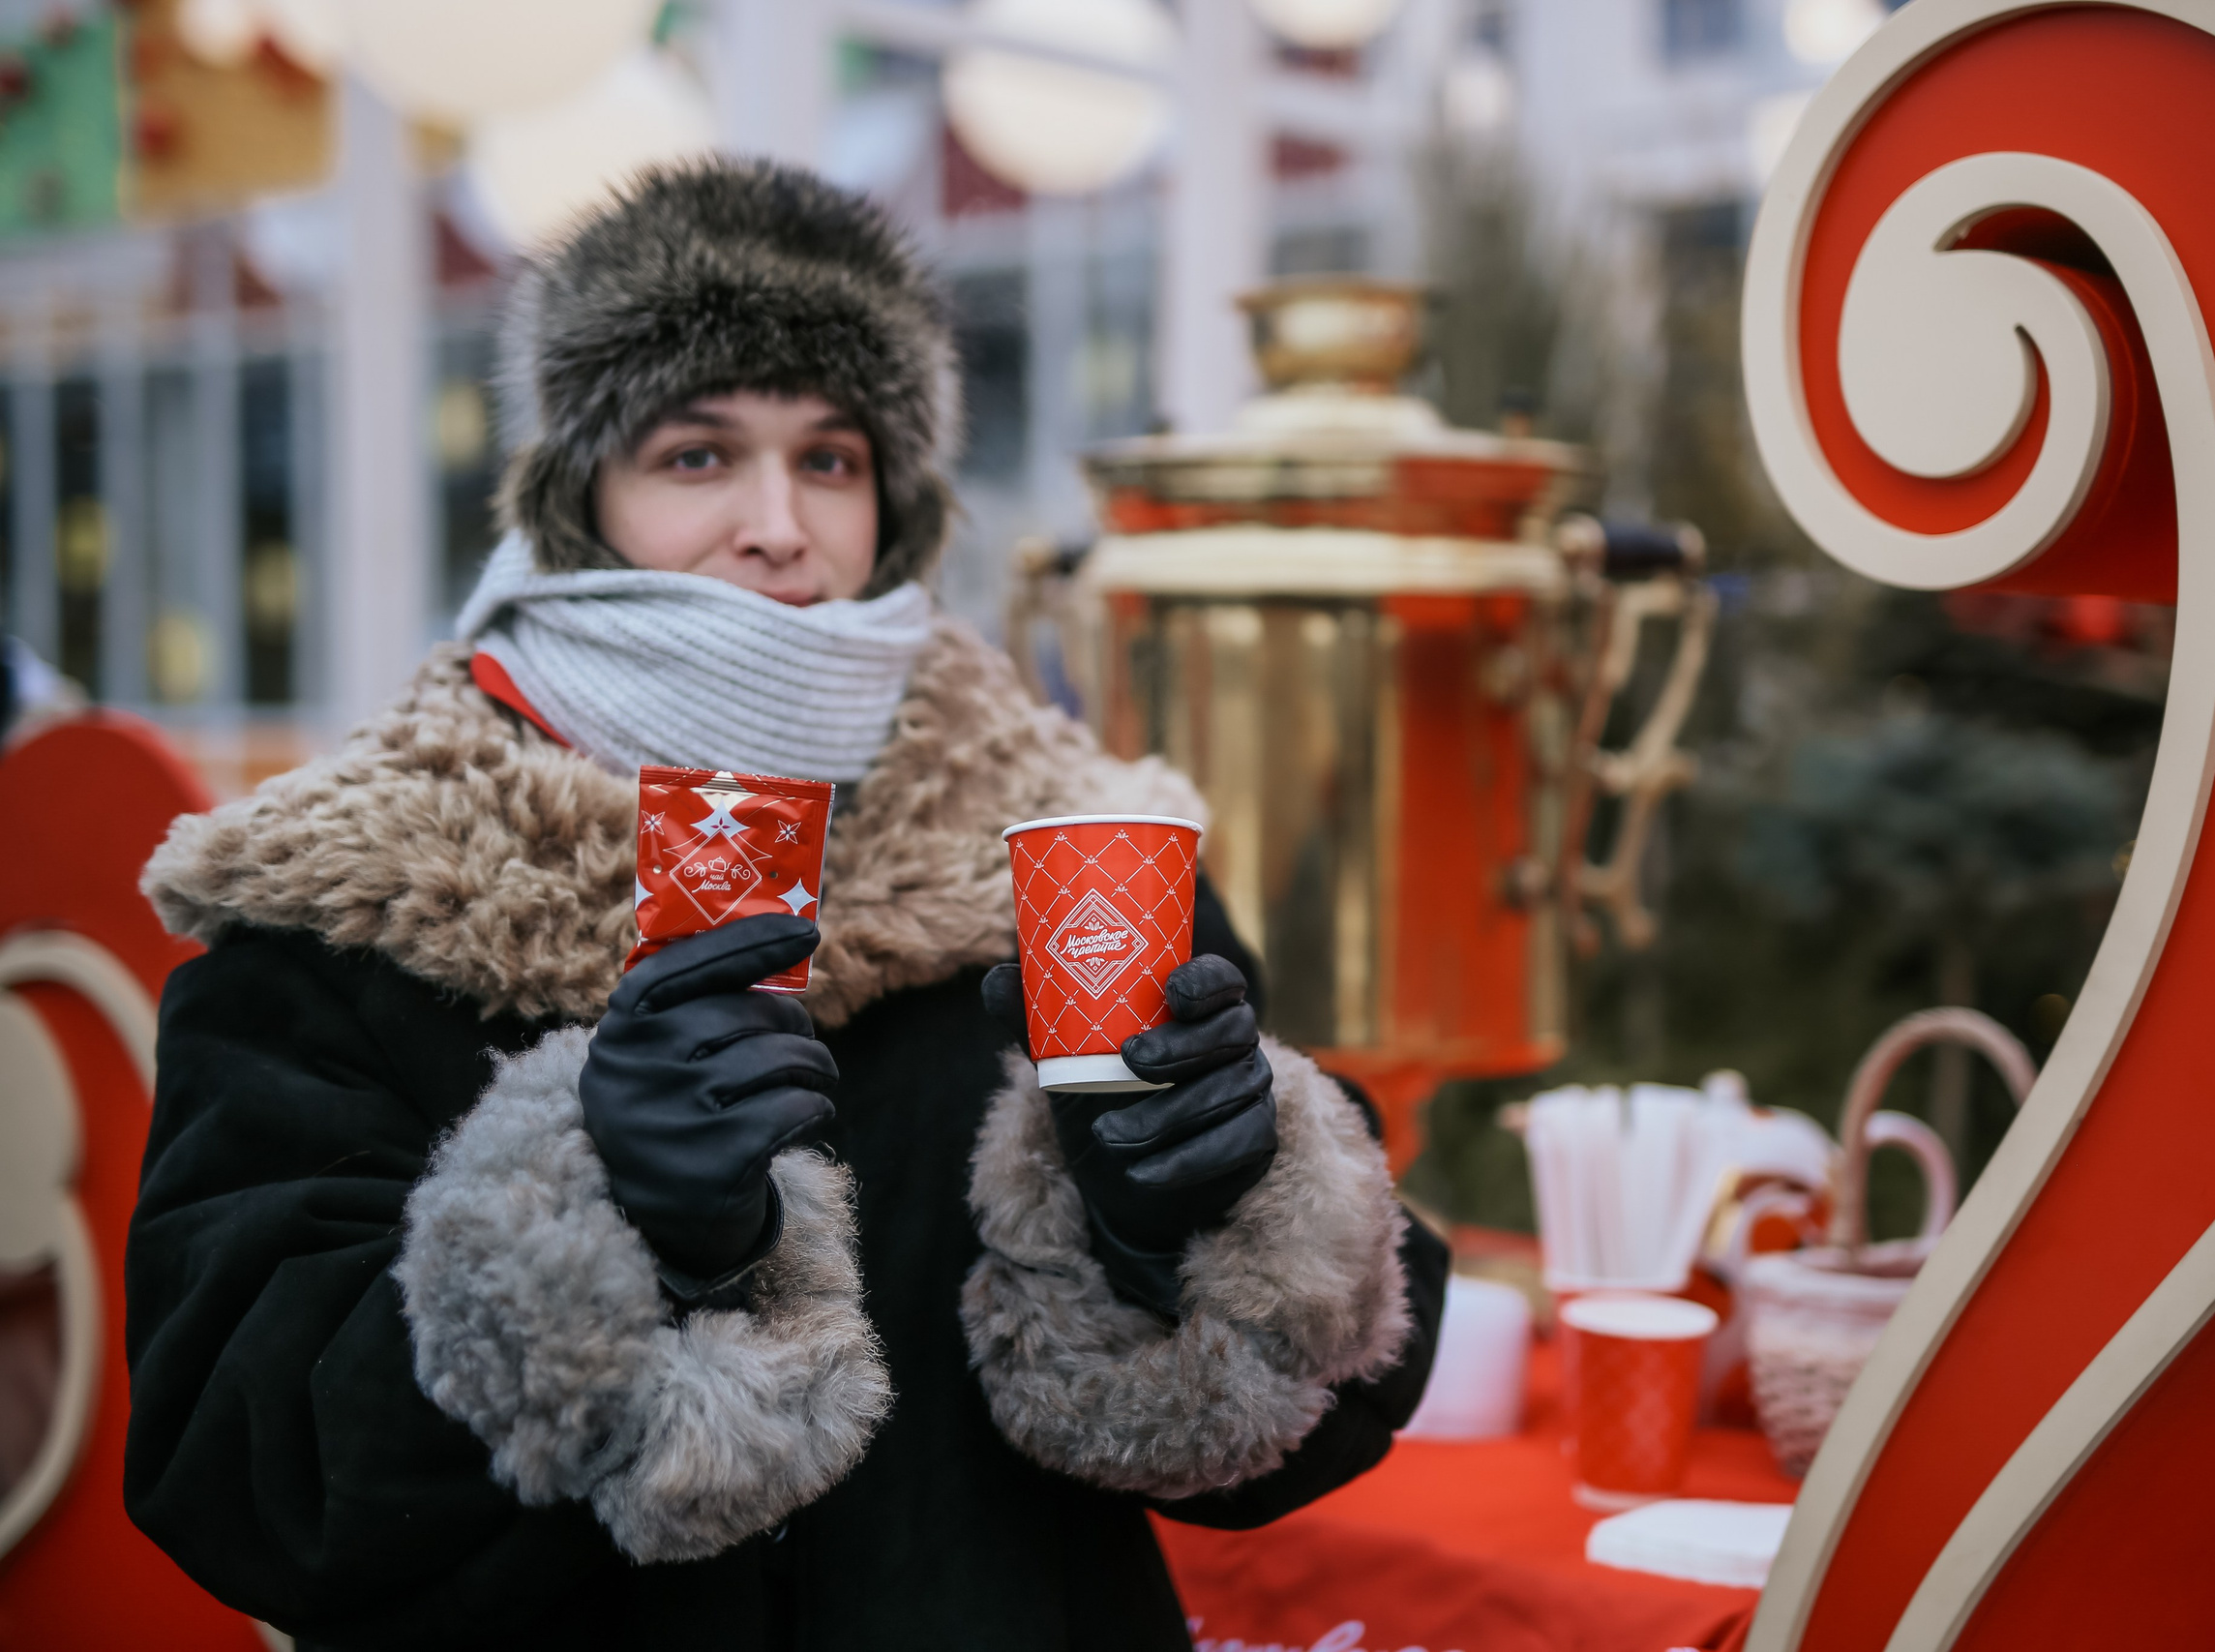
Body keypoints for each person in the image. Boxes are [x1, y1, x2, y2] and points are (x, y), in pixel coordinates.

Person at [126, 160, 1444, 1651]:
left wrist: (1196, 1225)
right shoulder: (351, 895)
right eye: (697, 455)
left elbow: (1339, 1410)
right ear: (578, 503)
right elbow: (238, 1474)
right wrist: (605, 1231)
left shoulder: (1068, 851)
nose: (778, 525)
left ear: (894, 506)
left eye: (830, 458)